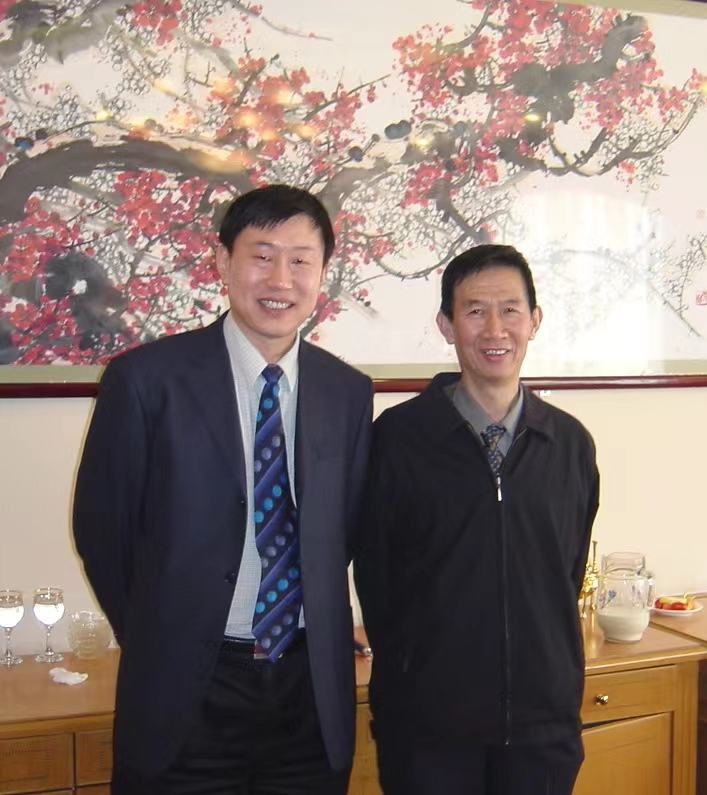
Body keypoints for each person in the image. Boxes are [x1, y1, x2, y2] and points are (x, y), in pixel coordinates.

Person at [73, 184, 374, 794]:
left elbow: (342, 531)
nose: (280, 279)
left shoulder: (348, 392)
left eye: (300, 260)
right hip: (185, 695)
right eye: (261, 256)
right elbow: (103, 533)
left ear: (322, 272)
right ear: (222, 262)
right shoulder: (145, 380)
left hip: (309, 697)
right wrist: (164, 635)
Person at [354, 244, 599, 795]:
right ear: (446, 325)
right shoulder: (398, 439)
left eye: (510, 310)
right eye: (474, 310)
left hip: (542, 731)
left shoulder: (569, 444)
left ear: (534, 321)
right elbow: (376, 577)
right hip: (428, 731)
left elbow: (566, 571)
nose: (495, 329)